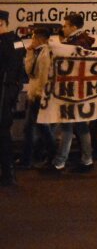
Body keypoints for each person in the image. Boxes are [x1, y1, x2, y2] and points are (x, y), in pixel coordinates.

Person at [51, 12, 96, 173]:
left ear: (74, 27)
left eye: (65, 25)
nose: (63, 28)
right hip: (79, 91)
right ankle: (87, 160)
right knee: (81, 126)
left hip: (72, 91)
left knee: (67, 125)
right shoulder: (81, 41)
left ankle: (60, 162)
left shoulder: (78, 43)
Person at [20, 26, 55, 170]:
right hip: (34, 94)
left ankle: (49, 156)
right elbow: (30, 72)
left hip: (38, 95)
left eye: (33, 37)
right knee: (33, 128)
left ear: (40, 39)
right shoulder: (37, 52)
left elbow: (44, 77)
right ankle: (28, 159)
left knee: (38, 128)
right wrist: (29, 53)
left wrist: (39, 94)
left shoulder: (46, 54)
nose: (32, 40)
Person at [0, 10, 23, 186]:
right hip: (7, 94)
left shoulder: (12, 42)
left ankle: (9, 174)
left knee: (3, 134)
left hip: (4, 95)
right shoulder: (15, 41)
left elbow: (13, 67)